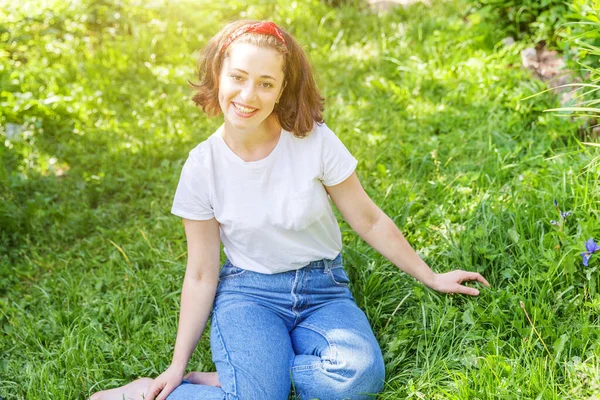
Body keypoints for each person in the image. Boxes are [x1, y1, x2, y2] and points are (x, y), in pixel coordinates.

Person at [90, 20, 490, 400]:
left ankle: (250, 377)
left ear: (282, 90)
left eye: (265, 84)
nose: (247, 96)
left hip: (323, 289)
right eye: (238, 77)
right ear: (219, 75)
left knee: (358, 380)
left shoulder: (312, 141)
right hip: (249, 294)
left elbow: (368, 219)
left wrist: (431, 276)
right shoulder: (202, 166)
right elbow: (200, 273)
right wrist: (177, 367)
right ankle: (157, 391)